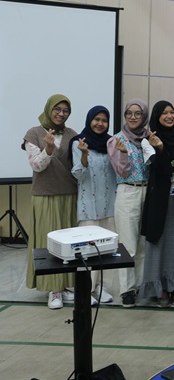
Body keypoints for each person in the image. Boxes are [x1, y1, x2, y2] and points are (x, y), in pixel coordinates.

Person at [140, 101, 174, 308]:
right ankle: (161, 288)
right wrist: (161, 148)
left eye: (172, 112)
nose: (169, 116)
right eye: (164, 113)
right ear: (157, 116)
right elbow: (161, 169)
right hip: (159, 198)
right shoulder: (148, 142)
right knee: (159, 242)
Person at [23, 95, 78, 310]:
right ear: (48, 109)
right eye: (57, 109)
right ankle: (53, 289)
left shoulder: (72, 135)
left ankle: (65, 286)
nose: (61, 114)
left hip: (69, 195)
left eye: (65, 110)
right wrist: (47, 149)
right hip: (45, 196)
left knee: (68, 246)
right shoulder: (34, 133)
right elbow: (37, 166)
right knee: (49, 244)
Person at [70, 105, 117, 306]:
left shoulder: (111, 143)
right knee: (87, 251)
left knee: (106, 249)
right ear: (89, 120)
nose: (100, 123)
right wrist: (83, 155)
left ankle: (101, 287)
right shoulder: (78, 143)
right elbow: (79, 175)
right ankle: (85, 289)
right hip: (88, 205)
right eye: (96, 119)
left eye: (104, 120)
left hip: (110, 205)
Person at [107, 99, 149, 308]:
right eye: (129, 113)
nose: (133, 117)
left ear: (144, 116)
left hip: (148, 191)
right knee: (128, 245)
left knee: (143, 245)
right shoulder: (116, 140)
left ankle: (140, 285)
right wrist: (123, 153)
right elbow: (122, 171)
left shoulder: (149, 138)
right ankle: (127, 290)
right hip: (127, 191)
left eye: (137, 113)